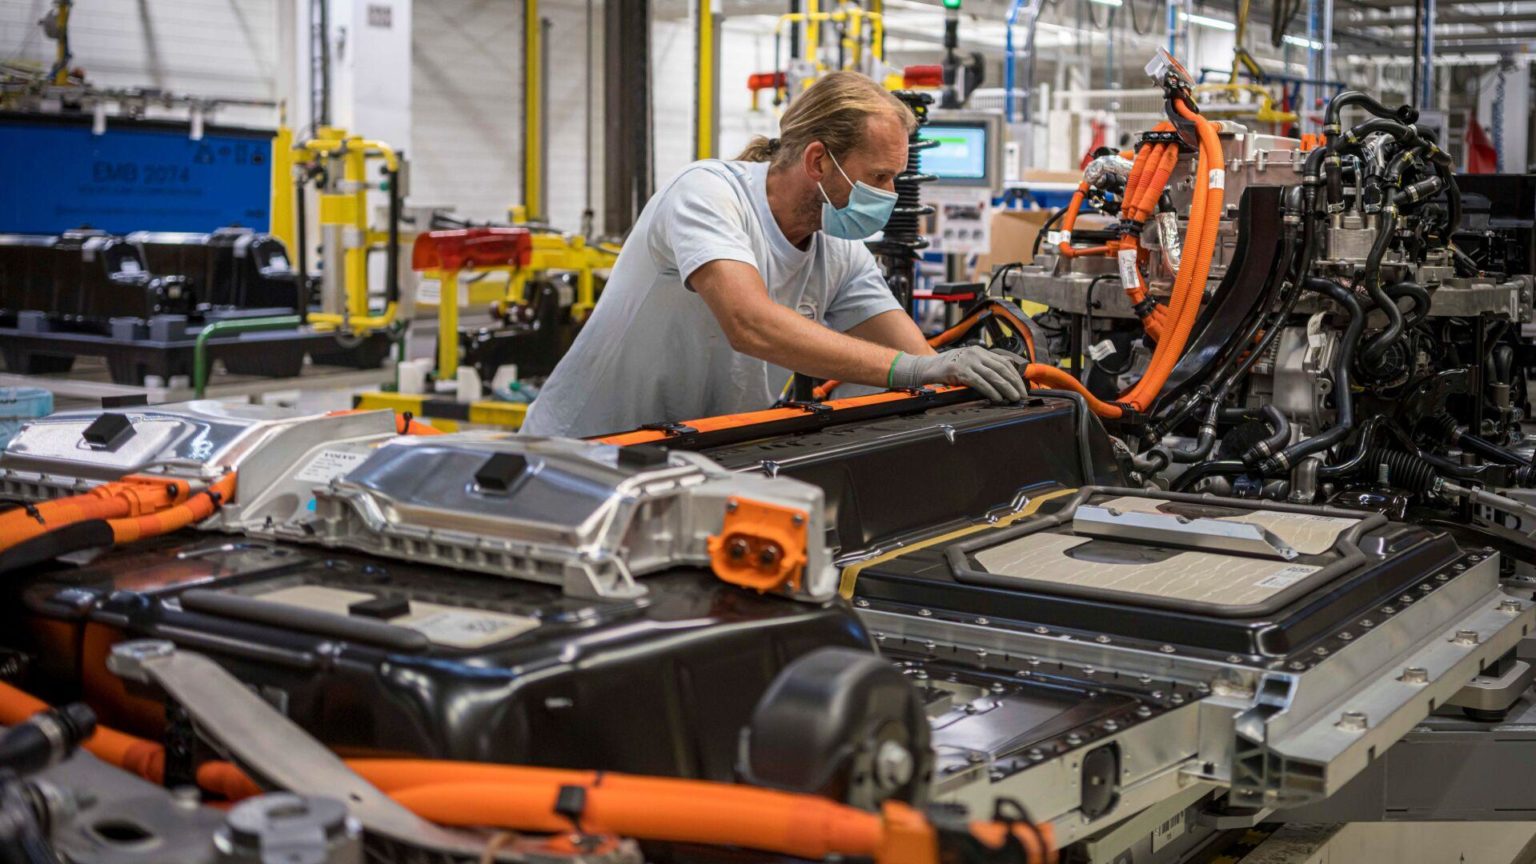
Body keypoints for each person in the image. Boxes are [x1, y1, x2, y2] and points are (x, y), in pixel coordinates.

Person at [521, 71, 1027, 439]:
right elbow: (751, 323)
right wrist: (919, 371)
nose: (890, 194)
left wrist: (965, 372)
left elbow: (916, 360)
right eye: (878, 177)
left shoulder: (840, 249)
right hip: (582, 453)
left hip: (689, 456)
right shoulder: (708, 194)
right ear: (817, 160)